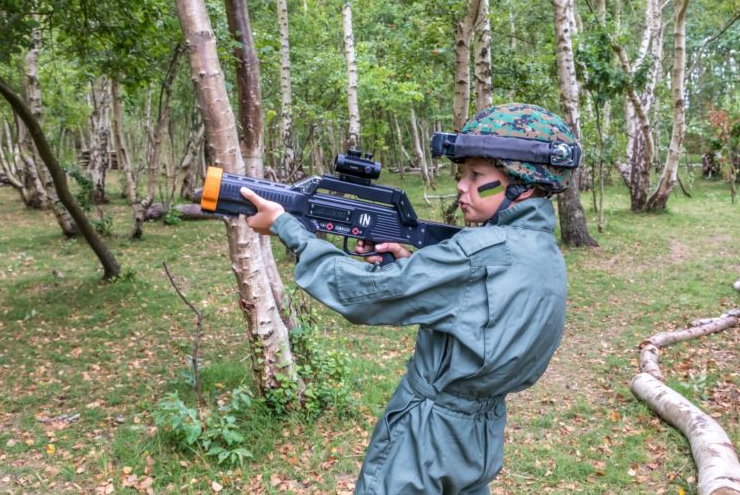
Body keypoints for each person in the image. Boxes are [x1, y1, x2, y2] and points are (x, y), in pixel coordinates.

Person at [240, 103, 578, 494]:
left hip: (425, 436)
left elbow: (362, 296)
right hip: (481, 434)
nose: (462, 186)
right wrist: (410, 264)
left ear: (524, 184)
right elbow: (475, 304)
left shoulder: (475, 253)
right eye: (462, 174)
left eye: (476, 175)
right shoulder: (543, 251)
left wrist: (289, 229)